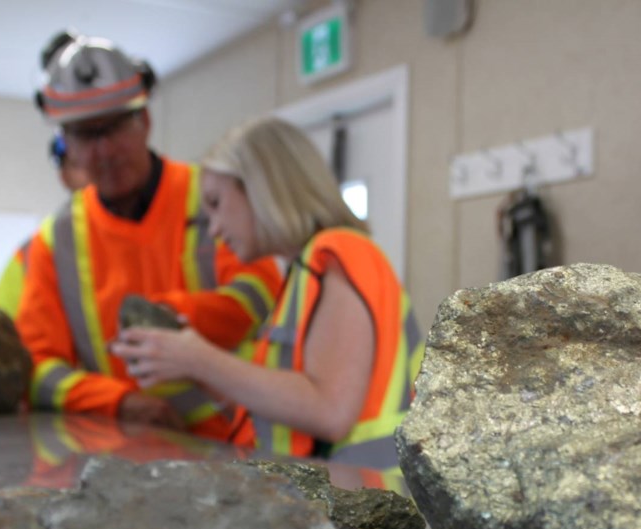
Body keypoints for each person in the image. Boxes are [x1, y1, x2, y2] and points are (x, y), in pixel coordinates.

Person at [111, 117, 423, 475]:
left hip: (367, 504)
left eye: (216, 203)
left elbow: (331, 411)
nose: (213, 229)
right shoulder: (300, 276)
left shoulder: (338, 252)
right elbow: (283, 409)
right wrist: (190, 365)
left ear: (261, 188)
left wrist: (198, 359)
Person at [15, 32, 281, 436]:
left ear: (145, 121)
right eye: (86, 134)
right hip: (125, 454)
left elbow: (261, 291)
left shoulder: (209, 197)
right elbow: (38, 367)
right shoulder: (57, 240)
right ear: (65, 143)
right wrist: (120, 403)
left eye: (116, 127)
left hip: (237, 443)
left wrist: (165, 324)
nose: (104, 150)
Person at [0, 133, 90, 320]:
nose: (96, 168)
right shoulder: (40, 248)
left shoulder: (152, 225)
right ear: (64, 176)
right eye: (80, 163)